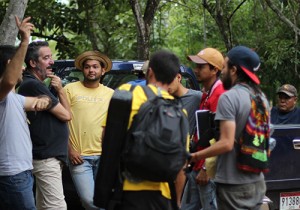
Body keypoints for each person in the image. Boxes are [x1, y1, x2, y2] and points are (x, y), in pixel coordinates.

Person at [102, 50, 188, 210]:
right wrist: (176, 203)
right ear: (174, 77)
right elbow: (181, 165)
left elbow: (107, 139)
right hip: (162, 197)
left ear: (150, 72)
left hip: (126, 191)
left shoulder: (128, 92)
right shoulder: (179, 111)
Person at [190, 46, 269, 210]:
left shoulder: (229, 97)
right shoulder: (262, 98)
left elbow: (226, 143)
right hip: (256, 181)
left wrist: (195, 156)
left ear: (233, 70)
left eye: (225, 67)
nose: (222, 71)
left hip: (234, 184)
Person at [0, 17, 52, 210]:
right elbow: (9, 81)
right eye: (19, 63)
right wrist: (24, 41)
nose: (23, 67)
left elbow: (38, 103)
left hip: (21, 173)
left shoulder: (14, 98)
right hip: (11, 175)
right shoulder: (3, 92)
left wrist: (45, 101)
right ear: (9, 63)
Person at [18, 41, 71, 210]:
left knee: (43, 205)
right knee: (57, 206)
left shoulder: (38, 84)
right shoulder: (32, 84)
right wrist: (61, 91)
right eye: (46, 58)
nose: (52, 62)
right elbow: (66, 115)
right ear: (33, 63)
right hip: (45, 157)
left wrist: (59, 90)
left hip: (48, 155)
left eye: (51, 57)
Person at [64, 51, 114, 210]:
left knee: (102, 200)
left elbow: (112, 126)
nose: (91, 70)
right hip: (80, 157)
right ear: (82, 70)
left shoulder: (110, 94)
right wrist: (70, 150)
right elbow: (61, 122)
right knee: (89, 201)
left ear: (103, 70)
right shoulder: (70, 89)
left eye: (95, 67)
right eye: (87, 67)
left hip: (103, 157)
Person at [181, 47, 225, 210]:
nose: (196, 70)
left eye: (201, 67)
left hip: (209, 170)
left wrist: (207, 168)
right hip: (197, 165)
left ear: (214, 70)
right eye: (196, 66)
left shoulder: (220, 94)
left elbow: (221, 137)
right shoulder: (206, 93)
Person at [167, 72, 202, 208]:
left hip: (188, 156)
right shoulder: (163, 99)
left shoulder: (196, 97)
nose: (166, 85)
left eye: (169, 80)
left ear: (178, 77)